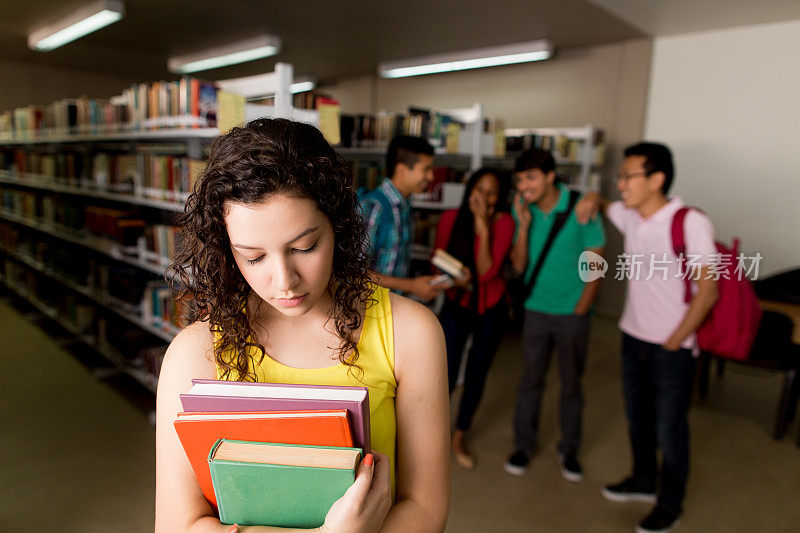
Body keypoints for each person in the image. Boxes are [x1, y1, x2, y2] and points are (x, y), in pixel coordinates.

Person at [155, 119, 450, 533]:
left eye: (304, 247)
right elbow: (176, 526)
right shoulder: (193, 352)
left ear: (338, 226)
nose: (284, 281)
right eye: (253, 257)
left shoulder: (411, 333)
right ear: (225, 248)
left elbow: (425, 508)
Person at [576, 142, 718, 533]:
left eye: (628, 176)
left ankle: (670, 503)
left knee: (669, 429)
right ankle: (643, 480)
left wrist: (675, 340)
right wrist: (593, 196)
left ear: (656, 179)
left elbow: (708, 291)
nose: (620, 183)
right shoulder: (630, 214)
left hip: (671, 347)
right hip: (632, 338)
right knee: (637, 419)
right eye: (619, 176)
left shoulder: (689, 222)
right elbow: (606, 204)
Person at [503, 148, 606, 482]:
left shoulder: (581, 206)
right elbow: (519, 266)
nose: (524, 185)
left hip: (571, 314)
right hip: (535, 309)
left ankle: (569, 449)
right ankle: (523, 445)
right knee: (530, 380)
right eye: (520, 179)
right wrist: (523, 221)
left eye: (531, 177)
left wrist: (581, 308)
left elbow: (596, 260)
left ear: (550, 176)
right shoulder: (524, 211)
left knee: (571, 384)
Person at [433, 168, 515, 470]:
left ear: (501, 197)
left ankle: (458, 436)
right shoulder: (449, 218)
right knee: (446, 372)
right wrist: (455, 278)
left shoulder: (504, 222)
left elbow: (487, 272)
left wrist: (483, 228)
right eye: (479, 188)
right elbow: (438, 258)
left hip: (490, 307)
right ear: (469, 189)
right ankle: (435, 437)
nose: (484, 196)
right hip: (457, 302)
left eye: (492, 191)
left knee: (478, 374)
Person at [360, 135, 442, 301]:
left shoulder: (405, 206)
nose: (431, 177)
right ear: (402, 170)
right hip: (369, 310)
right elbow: (354, 272)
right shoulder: (374, 206)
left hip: (392, 307)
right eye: (426, 169)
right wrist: (412, 285)